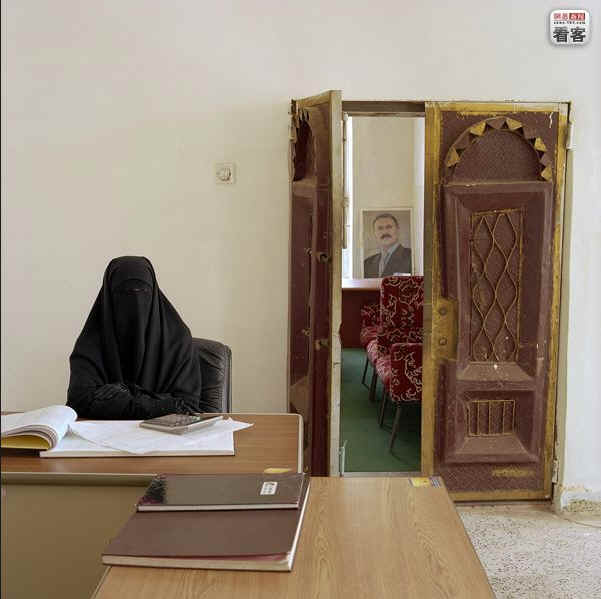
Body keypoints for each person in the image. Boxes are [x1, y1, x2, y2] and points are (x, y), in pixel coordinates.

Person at [67, 256, 206, 419]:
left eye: (143, 291)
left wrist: (125, 394)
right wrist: (159, 404)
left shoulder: (178, 340)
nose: (135, 303)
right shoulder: (91, 343)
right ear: (108, 299)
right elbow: (79, 401)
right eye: (124, 293)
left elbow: (187, 405)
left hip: (165, 434)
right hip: (105, 434)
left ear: (153, 294)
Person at [363, 213, 412, 278]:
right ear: (374, 233)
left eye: (389, 227)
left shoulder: (411, 256)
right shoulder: (367, 263)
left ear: (398, 230)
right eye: (380, 228)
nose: (385, 232)